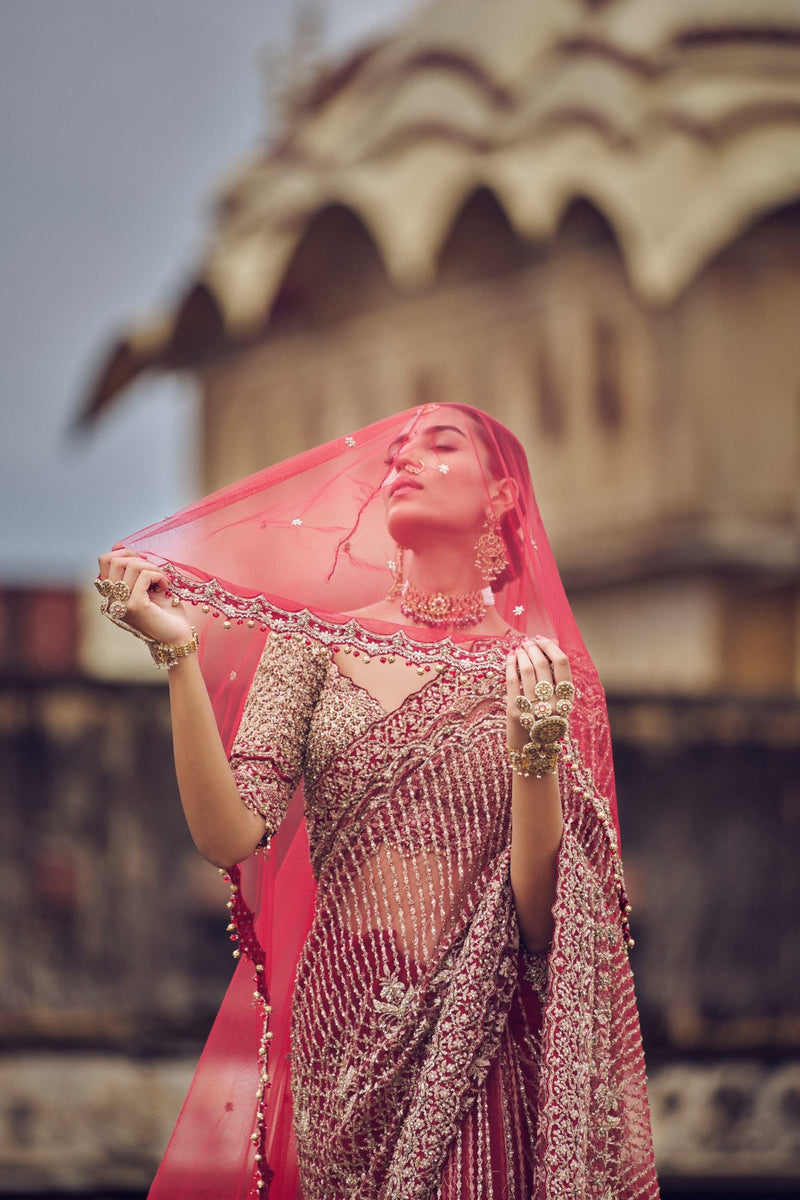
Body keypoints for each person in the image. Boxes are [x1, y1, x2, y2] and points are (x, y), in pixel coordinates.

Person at [96, 403, 659, 1200]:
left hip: (482, 1027)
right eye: (396, 450)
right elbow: (229, 836)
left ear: (502, 496)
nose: (403, 460)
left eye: (440, 444)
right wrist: (177, 654)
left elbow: (544, 927)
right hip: (343, 1024)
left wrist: (533, 753)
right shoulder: (311, 643)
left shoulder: (534, 674)